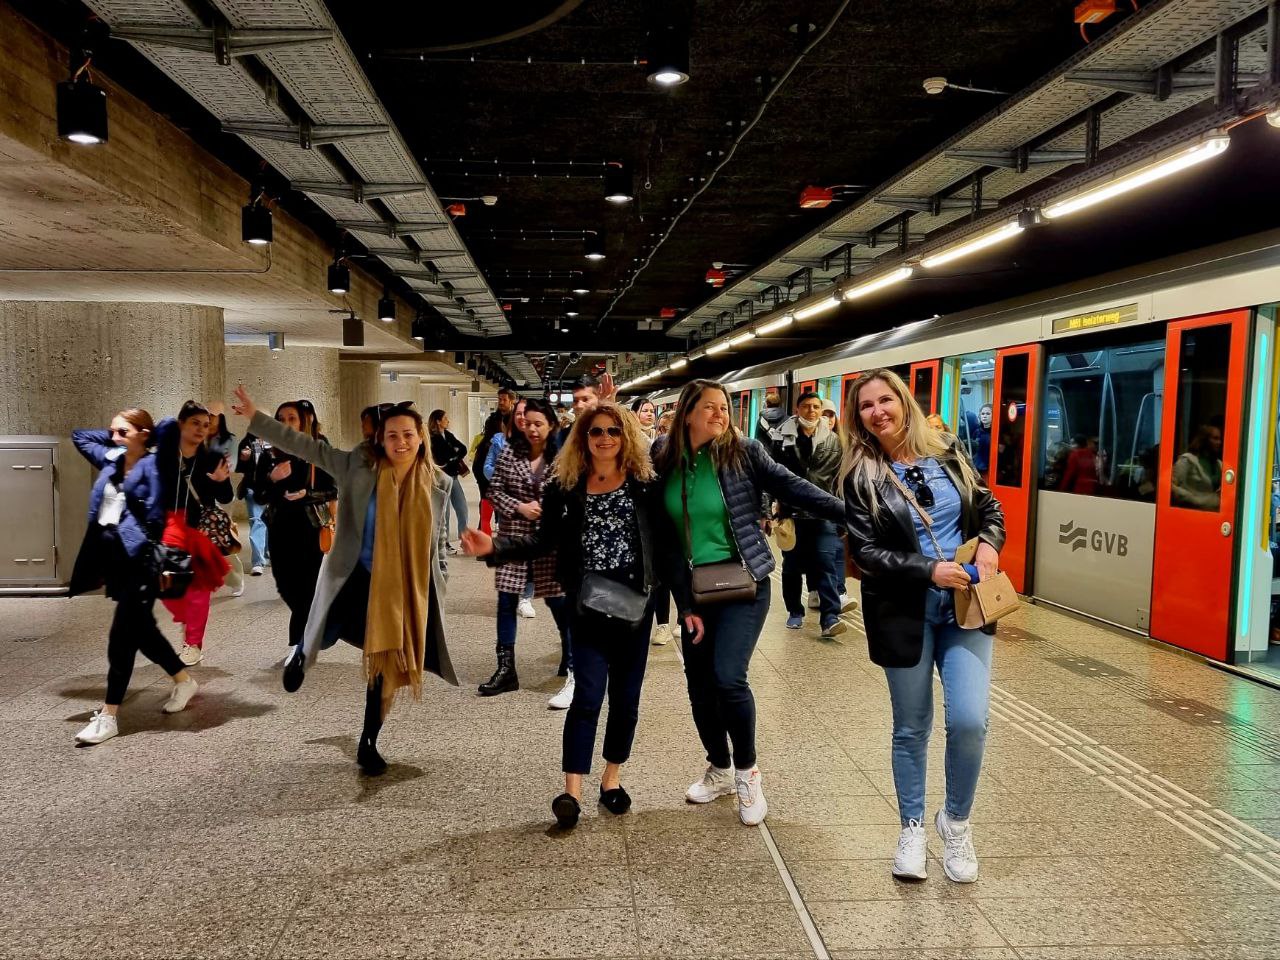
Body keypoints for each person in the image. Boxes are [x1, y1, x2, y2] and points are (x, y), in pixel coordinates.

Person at [233, 386, 457, 775]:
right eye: (392, 435)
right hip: (356, 575)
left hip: (401, 590)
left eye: (408, 434)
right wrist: (258, 419)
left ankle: (368, 741)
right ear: (381, 439)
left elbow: (438, 542)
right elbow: (307, 447)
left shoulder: (438, 483)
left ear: (421, 438)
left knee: (384, 662)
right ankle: (304, 650)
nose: (401, 442)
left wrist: (440, 578)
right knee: (328, 627)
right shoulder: (358, 466)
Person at [463, 402, 666, 827]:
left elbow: (667, 546)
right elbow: (543, 541)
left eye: (613, 431)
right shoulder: (566, 485)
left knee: (625, 699)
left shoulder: (646, 484)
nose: (605, 438)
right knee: (588, 696)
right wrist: (495, 547)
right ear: (583, 438)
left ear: (626, 436)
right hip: (586, 606)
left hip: (634, 608)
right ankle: (571, 791)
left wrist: (688, 606)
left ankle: (611, 780)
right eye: (596, 431)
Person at [840, 368, 1005, 884]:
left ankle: (955, 822)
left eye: (885, 400)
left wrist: (989, 544)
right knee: (911, 726)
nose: (878, 412)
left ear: (903, 401)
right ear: (857, 417)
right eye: (866, 406)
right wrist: (929, 570)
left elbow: (989, 507)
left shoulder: (949, 452)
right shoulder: (860, 476)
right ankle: (911, 827)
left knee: (970, 721)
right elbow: (866, 552)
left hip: (965, 606)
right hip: (901, 611)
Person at [654, 379, 844, 826]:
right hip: (695, 590)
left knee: (727, 676)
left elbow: (795, 487)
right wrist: (684, 605)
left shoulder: (744, 452)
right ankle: (719, 768)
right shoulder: (663, 457)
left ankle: (747, 772)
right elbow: (662, 537)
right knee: (699, 685)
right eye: (710, 407)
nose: (721, 415)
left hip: (745, 582)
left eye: (724, 407)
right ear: (687, 413)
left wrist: (852, 513)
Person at [68, 409, 200, 745]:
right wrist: (117, 435)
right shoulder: (110, 457)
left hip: (143, 561)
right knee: (143, 631)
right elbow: (79, 436)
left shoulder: (156, 464)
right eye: (111, 432)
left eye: (122, 431)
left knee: (122, 637)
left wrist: (145, 436)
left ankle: (109, 715)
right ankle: (183, 680)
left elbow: (168, 427)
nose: (114, 437)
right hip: (114, 560)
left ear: (143, 433)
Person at [482, 398, 575, 705]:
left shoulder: (562, 458)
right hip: (515, 538)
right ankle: (506, 668)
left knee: (558, 602)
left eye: (538, 423)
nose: (532, 429)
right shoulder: (510, 453)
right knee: (507, 601)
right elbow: (494, 491)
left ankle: (570, 658)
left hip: (550, 542)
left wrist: (550, 510)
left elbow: (570, 494)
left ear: (551, 425)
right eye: (527, 423)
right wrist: (519, 506)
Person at [253, 402, 337, 665]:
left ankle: (298, 645)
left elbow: (332, 489)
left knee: (305, 587)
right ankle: (314, 632)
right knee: (287, 586)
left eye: (292, 418)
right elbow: (259, 494)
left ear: (303, 421)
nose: (286, 423)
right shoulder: (270, 453)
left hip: (309, 527)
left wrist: (306, 494)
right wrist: (273, 479)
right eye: (281, 418)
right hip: (279, 528)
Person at [763, 391, 851, 638]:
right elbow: (769, 477)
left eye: (815, 407)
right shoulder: (781, 439)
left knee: (825, 564)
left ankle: (830, 617)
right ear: (797, 409)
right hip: (791, 514)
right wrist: (767, 510)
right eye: (806, 406)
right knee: (791, 567)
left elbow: (841, 480)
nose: (811, 411)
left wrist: (843, 515)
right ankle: (795, 611)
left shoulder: (834, 441)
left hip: (824, 515)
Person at [154, 401, 233, 667]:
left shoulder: (212, 457)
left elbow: (227, 496)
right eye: (195, 423)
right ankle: (188, 621)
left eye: (206, 425)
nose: (201, 429)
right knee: (168, 588)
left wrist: (220, 481)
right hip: (169, 528)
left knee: (198, 590)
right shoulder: (163, 457)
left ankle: (193, 643)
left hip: (200, 530)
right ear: (181, 425)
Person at [632, 397, 673, 644]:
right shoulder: (634, 441)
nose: (649, 414)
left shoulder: (657, 443)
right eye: (644, 410)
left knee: (662, 573)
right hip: (644, 517)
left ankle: (666, 622)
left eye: (651, 411)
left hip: (660, 516)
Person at [428, 409, 471, 551]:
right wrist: (453, 455)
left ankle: (464, 539)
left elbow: (463, 449)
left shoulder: (448, 435)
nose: (448, 421)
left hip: (454, 477)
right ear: (438, 421)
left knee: (462, 508)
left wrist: (453, 457)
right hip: (441, 479)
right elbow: (441, 458)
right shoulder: (432, 438)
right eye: (445, 418)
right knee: (444, 512)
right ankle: (443, 543)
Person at [235, 432, 271, 574]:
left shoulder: (275, 440)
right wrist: (244, 459)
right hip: (253, 489)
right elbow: (238, 468)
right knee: (257, 522)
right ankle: (258, 562)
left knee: (269, 522)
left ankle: (267, 554)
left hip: (272, 489)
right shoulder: (247, 442)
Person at [1171, 423, 1223, 510]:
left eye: (1220, 439)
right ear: (1205, 440)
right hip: (1191, 511)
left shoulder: (1219, 464)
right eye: (1215, 438)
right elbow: (1171, 485)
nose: (1219, 442)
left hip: (1213, 512)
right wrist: (1192, 499)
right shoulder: (1188, 460)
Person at [971, 403, 993, 475]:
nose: (984, 416)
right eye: (983, 414)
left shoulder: (995, 433)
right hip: (976, 469)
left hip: (990, 470)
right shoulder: (976, 432)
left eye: (988, 414)